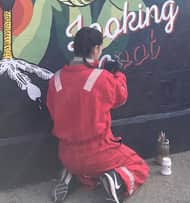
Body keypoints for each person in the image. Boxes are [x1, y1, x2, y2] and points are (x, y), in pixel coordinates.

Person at [46, 27, 148, 203]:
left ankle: (72, 175)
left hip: (66, 154)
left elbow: (53, 109)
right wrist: (117, 73)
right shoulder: (102, 78)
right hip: (98, 153)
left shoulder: (55, 79)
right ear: (96, 49)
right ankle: (116, 182)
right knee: (138, 166)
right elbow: (120, 96)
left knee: (88, 169)